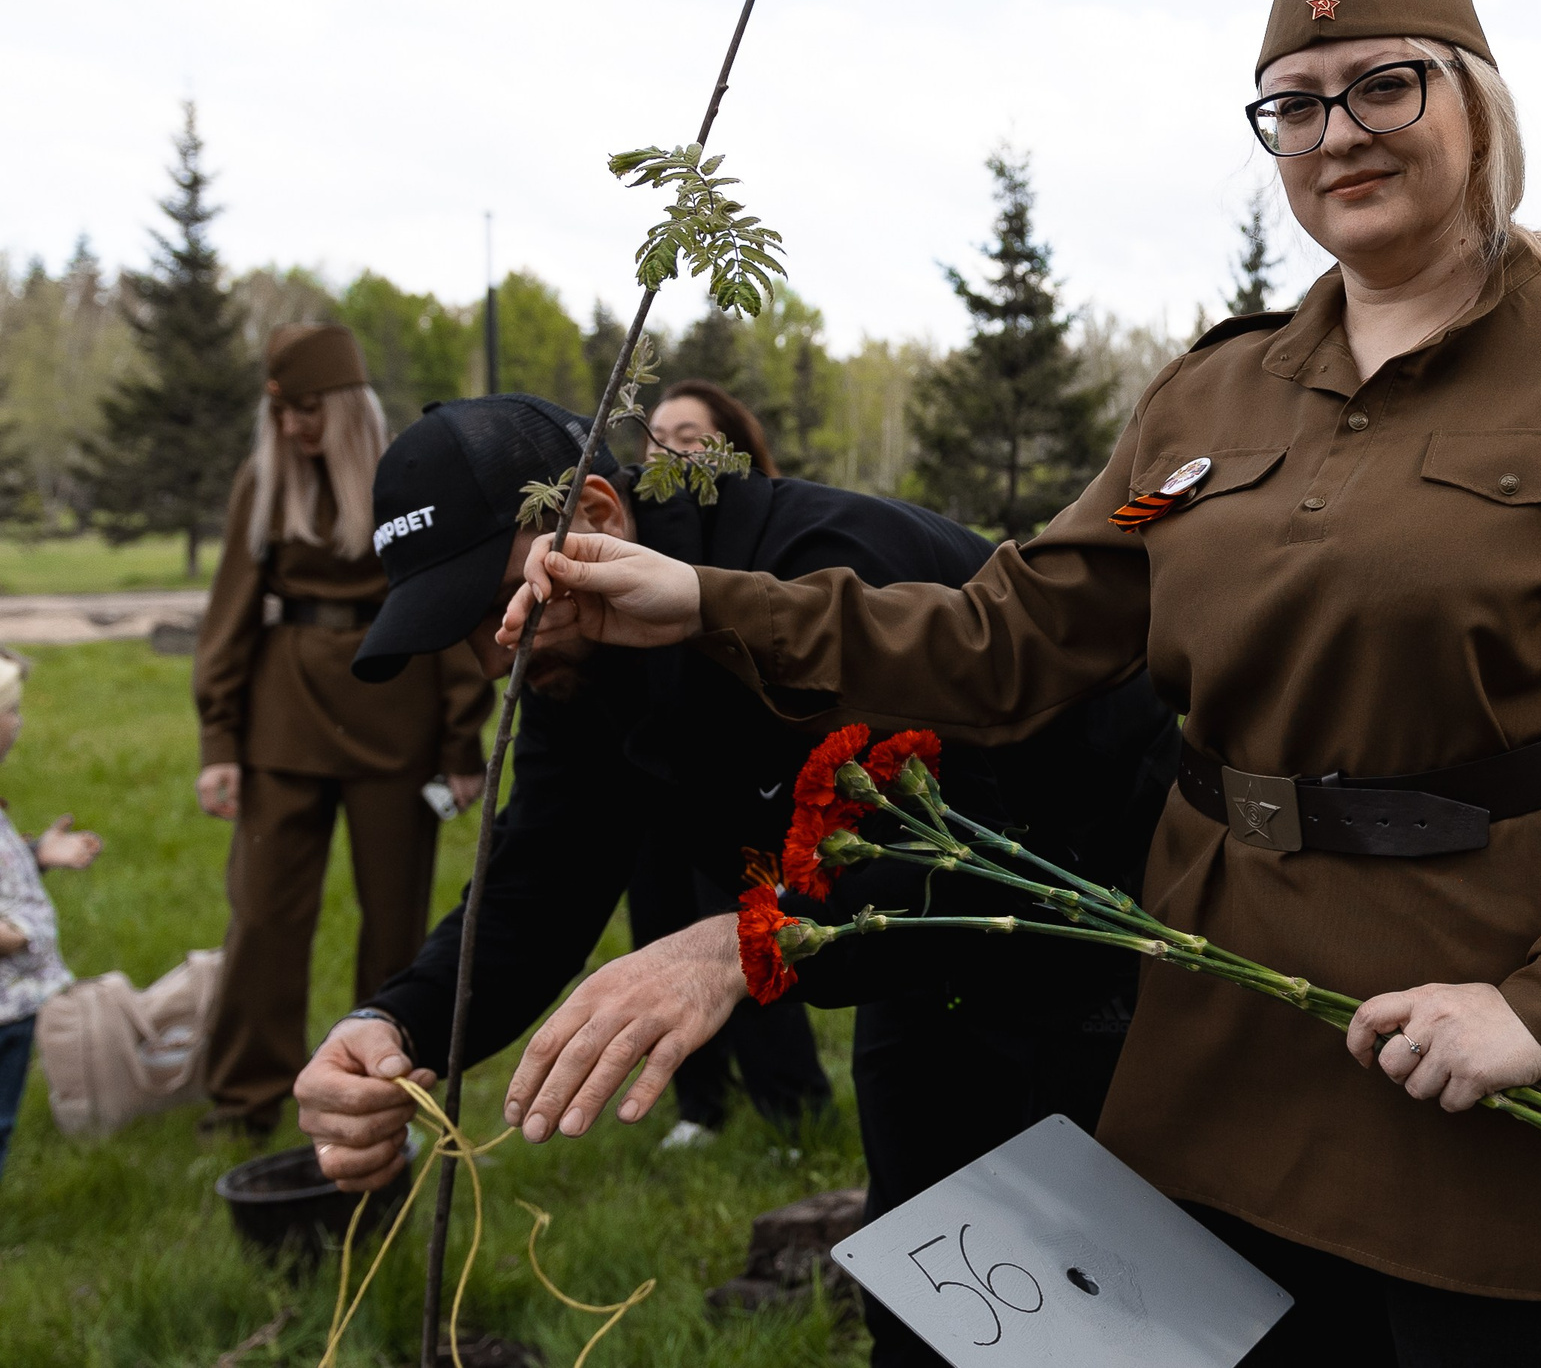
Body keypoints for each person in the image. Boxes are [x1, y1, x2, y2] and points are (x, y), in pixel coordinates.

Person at [499, 0, 1541, 1366]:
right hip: (1232, 1060)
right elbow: (1007, 635)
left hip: (1491, 1049)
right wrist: (702, 600)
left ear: (1475, 100)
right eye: (1297, 103)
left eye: (1386, 85)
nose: (1339, 133)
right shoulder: (1211, 405)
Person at [293, 394, 1177, 1368]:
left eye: (495, 602)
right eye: (454, 628)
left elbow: (957, 852)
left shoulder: (820, 559)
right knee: (929, 1301)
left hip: (1096, 930)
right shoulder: (559, 645)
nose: (490, 649)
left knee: (1111, 1309)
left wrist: (739, 938)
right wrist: (392, 1023)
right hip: (908, 968)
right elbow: (542, 870)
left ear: (593, 515)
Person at [192, 324, 494, 1137]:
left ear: (348, 406)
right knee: (262, 917)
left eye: (309, 410)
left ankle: (384, 1085)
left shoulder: (406, 479)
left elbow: (449, 613)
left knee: (395, 922)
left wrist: (461, 742)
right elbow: (227, 619)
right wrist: (220, 742)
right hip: (282, 723)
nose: (295, 427)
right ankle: (248, 1094)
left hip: (393, 720)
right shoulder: (264, 483)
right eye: (283, 412)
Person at [630, 378, 809, 1147]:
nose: (668, 446)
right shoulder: (633, 540)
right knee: (659, 928)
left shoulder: (766, 539)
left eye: (691, 434)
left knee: (746, 934)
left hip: (737, 774)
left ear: (734, 446)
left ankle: (791, 1104)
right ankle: (699, 1103)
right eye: (657, 432)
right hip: (656, 773)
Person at [0, 648, 107, 1179]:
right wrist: (11, 937)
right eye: (10, 711)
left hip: (15, 1004)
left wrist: (39, 853)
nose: (18, 722)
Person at [646, 379, 778, 478]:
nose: (668, 452)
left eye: (687, 438)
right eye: (657, 440)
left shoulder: (782, 509)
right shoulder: (631, 510)